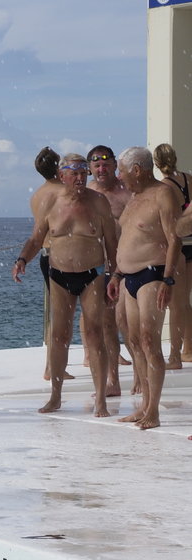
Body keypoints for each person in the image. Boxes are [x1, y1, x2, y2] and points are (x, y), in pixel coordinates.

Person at [14, 154, 117, 417]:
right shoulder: (50, 202)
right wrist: (23, 258)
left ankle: (101, 401)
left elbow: (112, 244)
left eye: (84, 173)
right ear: (62, 175)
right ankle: (55, 397)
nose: (81, 178)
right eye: (75, 173)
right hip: (59, 274)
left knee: (94, 335)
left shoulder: (98, 202)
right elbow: (37, 238)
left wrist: (115, 276)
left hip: (92, 274)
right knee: (59, 336)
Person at [107, 146, 181, 430]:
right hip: (127, 277)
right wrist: (115, 275)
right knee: (134, 341)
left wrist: (169, 279)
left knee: (150, 342)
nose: (120, 177)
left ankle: (154, 410)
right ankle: (144, 403)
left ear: (137, 170)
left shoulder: (163, 194)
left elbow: (173, 239)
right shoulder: (134, 198)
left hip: (153, 274)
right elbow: (127, 238)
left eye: (122, 171)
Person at [87, 144, 133, 393]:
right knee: (106, 325)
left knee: (129, 324)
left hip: (127, 267)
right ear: (90, 168)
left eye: (106, 164)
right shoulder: (87, 193)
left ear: (115, 165)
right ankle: (112, 380)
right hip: (98, 268)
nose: (102, 168)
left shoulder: (128, 193)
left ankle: (140, 374)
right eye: (96, 164)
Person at [30, 147, 75, 383]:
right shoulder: (62, 192)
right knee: (63, 317)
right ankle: (56, 367)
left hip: (45, 256)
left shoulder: (37, 195)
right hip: (63, 256)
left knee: (55, 316)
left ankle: (51, 364)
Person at [153, 143, 192, 365]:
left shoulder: (163, 187)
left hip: (177, 245)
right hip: (191, 240)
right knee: (185, 301)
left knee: (176, 303)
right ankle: (188, 347)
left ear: (157, 163)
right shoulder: (188, 178)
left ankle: (175, 355)